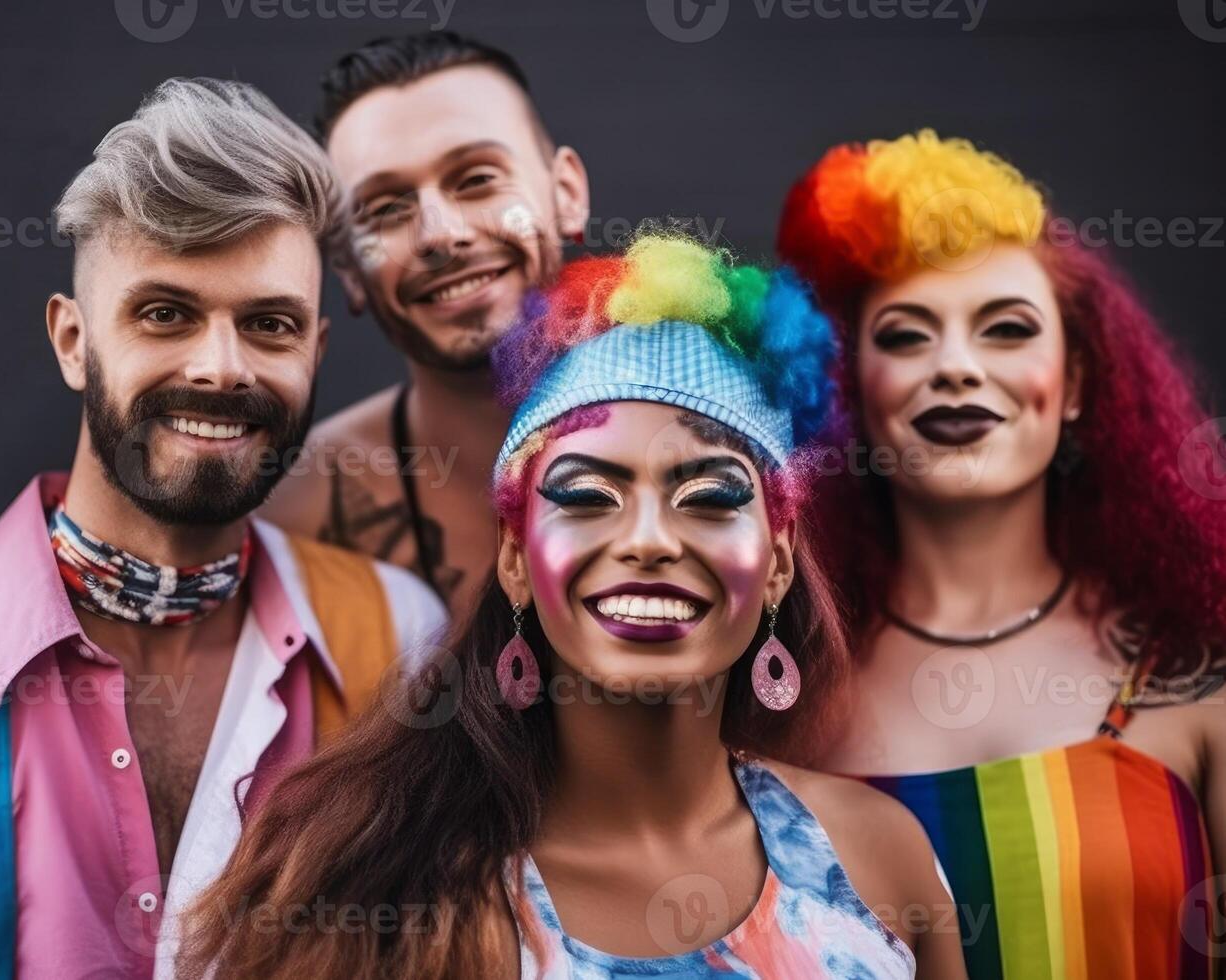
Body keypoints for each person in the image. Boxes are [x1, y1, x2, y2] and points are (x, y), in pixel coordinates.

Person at [0, 78, 444, 979]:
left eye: (268, 325)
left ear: (313, 352)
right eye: (166, 313)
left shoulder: (398, 637)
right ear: (73, 341)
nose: (220, 367)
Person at [180, 232, 966, 979]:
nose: (650, 541)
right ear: (516, 560)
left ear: (779, 563)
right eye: (588, 496)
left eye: (710, 497)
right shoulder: (372, 890)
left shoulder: (877, 858)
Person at [777, 128, 1226, 977]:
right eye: (907, 336)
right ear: (850, 390)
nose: (955, 367)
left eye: (1006, 329)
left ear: (1078, 383)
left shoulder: (1192, 674)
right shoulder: (784, 695)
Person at [260, 31, 591, 621]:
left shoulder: (714, 430)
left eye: (478, 179)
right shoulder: (295, 509)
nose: (439, 235)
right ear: (348, 270)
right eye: (385, 210)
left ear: (566, 193)